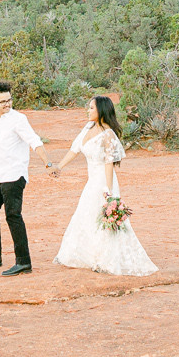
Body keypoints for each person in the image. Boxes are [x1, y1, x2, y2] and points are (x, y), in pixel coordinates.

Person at [51, 94, 157, 276]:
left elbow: (109, 164)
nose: (88, 110)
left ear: (101, 110)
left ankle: (104, 260)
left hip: (103, 181)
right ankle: (91, 257)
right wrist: (59, 166)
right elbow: (74, 150)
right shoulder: (88, 128)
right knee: (86, 214)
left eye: (91, 108)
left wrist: (108, 191)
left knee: (103, 218)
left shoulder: (108, 135)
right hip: (91, 181)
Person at [0, 80, 53, 276]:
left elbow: (35, 141)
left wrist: (48, 164)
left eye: (9, 100)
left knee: (13, 215)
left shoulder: (19, 119)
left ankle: (24, 262)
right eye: (3, 101)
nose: (7, 104)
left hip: (15, 175)